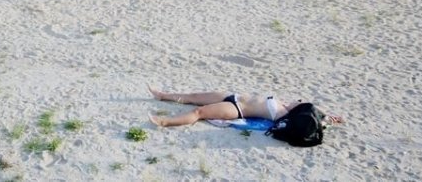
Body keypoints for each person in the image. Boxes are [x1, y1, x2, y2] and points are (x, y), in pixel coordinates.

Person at [147, 86, 343, 127]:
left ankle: (165, 122)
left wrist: (325, 119)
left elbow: (311, 114)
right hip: (233, 96)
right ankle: (163, 96)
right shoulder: (283, 105)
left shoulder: (283, 114)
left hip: (237, 109)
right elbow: (312, 109)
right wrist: (329, 115)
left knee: (199, 112)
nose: (297, 100)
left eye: (299, 102)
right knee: (194, 96)